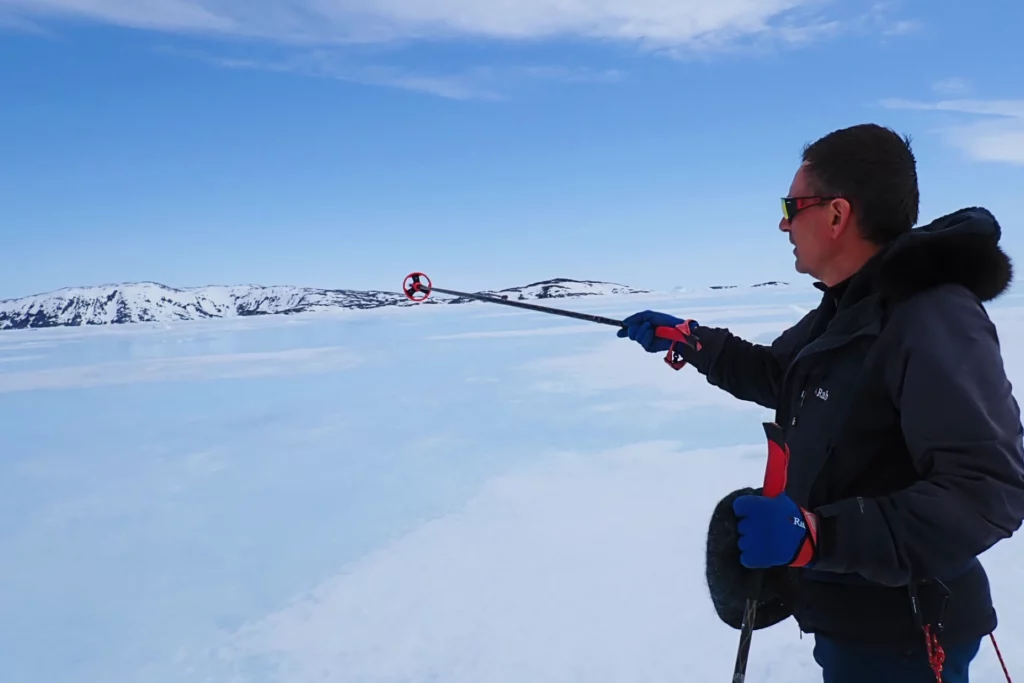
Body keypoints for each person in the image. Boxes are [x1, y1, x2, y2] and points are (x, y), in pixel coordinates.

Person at [618, 123, 1024, 682]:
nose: (783, 222)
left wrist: (817, 534)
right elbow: (780, 373)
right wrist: (692, 340)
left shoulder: (930, 316)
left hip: (906, 637)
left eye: (793, 205)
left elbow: (986, 490)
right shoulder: (850, 307)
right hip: (849, 620)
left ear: (836, 215)